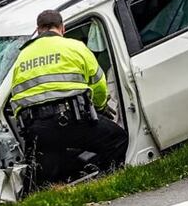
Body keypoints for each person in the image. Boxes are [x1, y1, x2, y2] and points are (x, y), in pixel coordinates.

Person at [10, 10, 128, 182]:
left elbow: (17, 98)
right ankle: (108, 182)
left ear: (38, 30)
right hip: (73, 121)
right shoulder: (75, 47)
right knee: (117, 139)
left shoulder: (22, 56)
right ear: (62, 28)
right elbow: (99, 84)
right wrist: (100, 107)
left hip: (38, 129)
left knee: (46, 171)